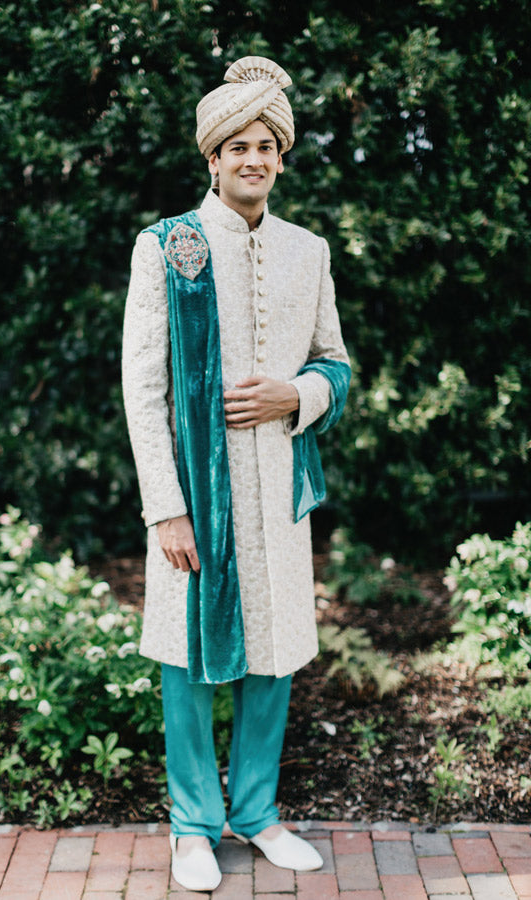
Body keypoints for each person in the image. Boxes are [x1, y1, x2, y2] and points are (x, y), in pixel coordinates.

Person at [122, 55, 350, 892]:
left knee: (275, 651)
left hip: (279, 490)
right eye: (237, 146)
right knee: (183, 658)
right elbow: (142, 389)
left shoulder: (309, 252)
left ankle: (255, 813)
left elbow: (337, 363)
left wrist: (297, 392)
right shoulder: (168, 248)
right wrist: (166, 509)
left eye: (266, 145)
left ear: (281, 157)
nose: (253, 159)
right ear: (212, 158)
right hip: (192, 500)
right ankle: (192, 825)